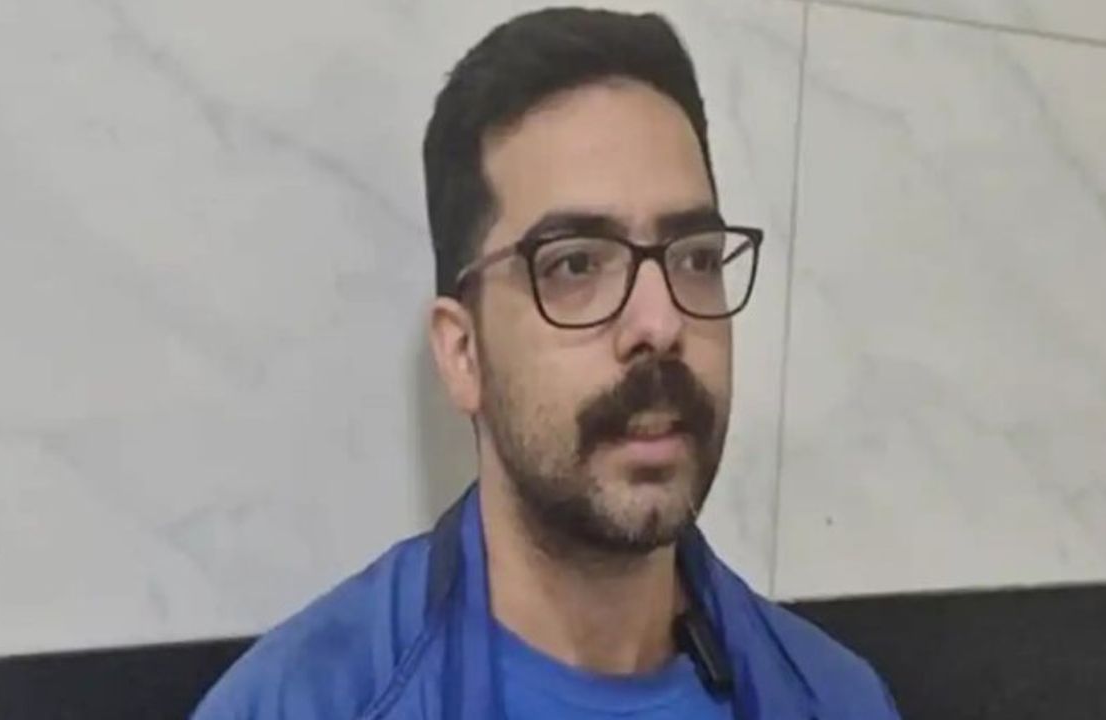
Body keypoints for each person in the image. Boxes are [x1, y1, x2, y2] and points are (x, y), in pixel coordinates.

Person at [195, 8, 900, 719]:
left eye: (695, 260)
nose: (661, 324)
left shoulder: (836, 701)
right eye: (575, 265)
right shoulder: (299, 705)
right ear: (463, 352)